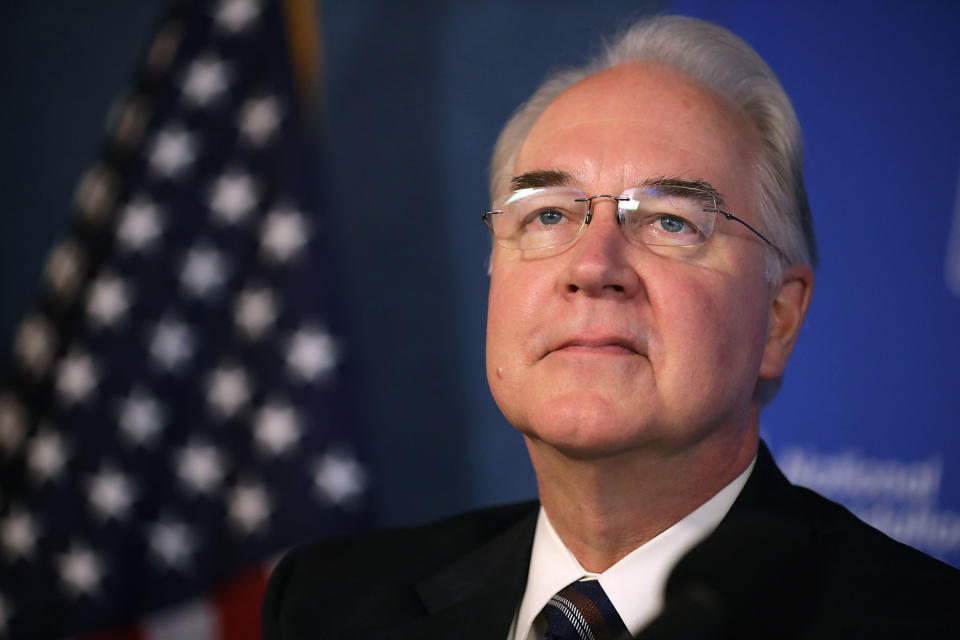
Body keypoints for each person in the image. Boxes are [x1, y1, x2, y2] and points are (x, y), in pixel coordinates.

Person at [262, 15, 960, 639]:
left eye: (670, 222)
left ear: (778, 319)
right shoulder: (328, 604)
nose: (593, 265)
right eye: (548, 215)